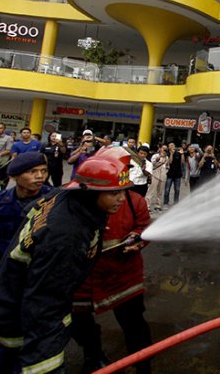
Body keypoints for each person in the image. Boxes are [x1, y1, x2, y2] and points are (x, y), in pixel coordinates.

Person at [0, 156, 133, 374]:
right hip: (22, 311)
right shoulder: (67, 236)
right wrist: (45, 359)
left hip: (11, 298)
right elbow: (44, 302)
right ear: (88, 191)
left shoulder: (63, 196)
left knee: (8, 363)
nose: (122, 199)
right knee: (32, 364)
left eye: (123, 191)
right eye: (113, 192)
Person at [71, 148, 152, 373]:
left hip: (124, 276)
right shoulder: (73, 204)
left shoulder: (135, 201)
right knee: (78, 323)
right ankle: (93, 356)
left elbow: (144, 227)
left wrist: (138, 240)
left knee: (134, 324)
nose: (118, 196)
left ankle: (143, 365)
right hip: (83, 278)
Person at [0, 152, 51, 326]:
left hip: (38, 264)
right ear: (14, 176)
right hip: (1, 261)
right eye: (32, 171)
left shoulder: (55, 199)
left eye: (43, 171)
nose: (40, 176)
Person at [164, 142, 184, 208]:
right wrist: (172, 154)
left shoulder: (179, 153)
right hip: (170, 174)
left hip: (178, 174)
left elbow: (182, 162)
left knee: (177, 189)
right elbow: (170, 162)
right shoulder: (167, 153)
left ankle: (176, 202)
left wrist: (182, 154)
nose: (172, 146)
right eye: (170, 145)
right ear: (168, 147)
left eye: (173, 145)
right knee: (167, 189)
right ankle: (166, 202)